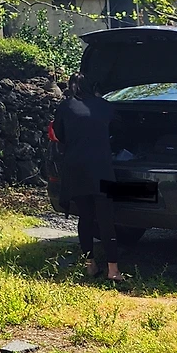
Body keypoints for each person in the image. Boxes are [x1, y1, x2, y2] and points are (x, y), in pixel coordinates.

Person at [53, 72, 122, 281]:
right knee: (106, 219)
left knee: (85, 217)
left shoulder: (65, 107)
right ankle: (113, 270)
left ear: (70, 87)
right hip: (101, 168)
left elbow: (60, 135)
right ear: (92, 87)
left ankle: (90, 265)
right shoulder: (105, 106)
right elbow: (119, 130)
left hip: (75, 167)